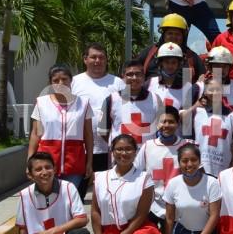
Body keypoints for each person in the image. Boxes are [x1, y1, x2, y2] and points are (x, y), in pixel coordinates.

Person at [90, 134, 163, 234]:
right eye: (119, 149)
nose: (123, 153)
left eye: (128, 149)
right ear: (112, 151)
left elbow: (142, 214)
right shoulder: (100, 177)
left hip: (134, 230)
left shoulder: (143, 178)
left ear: (135, 152)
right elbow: (95, 212)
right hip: (108, 233)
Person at [28, 64, 93, 198]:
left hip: (75, 161)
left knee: (69, 198)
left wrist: (89, 162)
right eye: (56, 80)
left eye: (64, 79)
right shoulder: (42, 103)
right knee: (50, 200)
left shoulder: (83, 103)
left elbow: (88, 135)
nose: (60, 83)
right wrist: (29, 161)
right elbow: (36, 134)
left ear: (71, 81)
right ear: (50, 83)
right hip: (46, 162)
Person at [162, 143, 220, 234]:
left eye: (193, 160)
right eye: (184, 160)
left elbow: (214, 216)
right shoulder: (173, 184)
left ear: (200, 161)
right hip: (183, 233)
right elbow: (169, 218)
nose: (189, 164)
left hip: (205, 233)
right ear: (179, 162)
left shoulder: (211, 183)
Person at [72, 43, 125, 176]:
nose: (97, 61)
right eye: (93, 57)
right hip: (81, 149)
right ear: (85, 59)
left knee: (107, 190)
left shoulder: (118, 83)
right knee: (79, 192)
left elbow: (129, 111)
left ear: (106, 60)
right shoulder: (74, 82)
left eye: (101, 57)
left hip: (109, 149)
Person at [134, 106, 192, 229]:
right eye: (163, 121)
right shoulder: (148, 146)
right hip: (152, 206)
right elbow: (136, 172)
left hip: (179, 205)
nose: (166, 125)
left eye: (171, 122)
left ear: (178, 124)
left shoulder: (187, 146)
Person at [101, 59, 162, 148]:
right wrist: (117, 146)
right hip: (121, 157)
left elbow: (162, 128)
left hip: (147, 155)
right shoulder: (111, 99)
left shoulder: (155, 99)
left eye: (138, 74)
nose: (134, 78)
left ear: (144, 77)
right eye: (129, 74)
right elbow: (103, 131)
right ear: (123, 77)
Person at [138, 13, 206, 84]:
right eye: (170, 33)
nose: (173, 37)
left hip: (184, 94)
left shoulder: (191, 57)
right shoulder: (149, 53)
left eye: (177, 34)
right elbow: (130, 73)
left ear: (183, 36)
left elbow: (203, 78)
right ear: (163, 35)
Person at [193, 77, 233, 176]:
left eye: (218, 90)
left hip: (222, 170)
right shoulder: (197, 112)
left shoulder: (232, 116)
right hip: (198, 167)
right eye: (211, 89)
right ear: (205, 91)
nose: (214, 93)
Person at [147, 42, 200, 115]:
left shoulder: (188, 88)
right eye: (166, 62)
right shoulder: (149, 83)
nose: (170, 66)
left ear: (179, 64)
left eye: (174, 62)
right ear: (160, 63)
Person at [203, 45, 233, 121]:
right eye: (217, 66)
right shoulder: (200, 87)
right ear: (210, 68)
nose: (221, 69)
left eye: (225, 66)